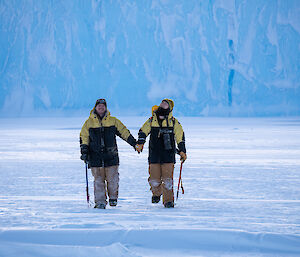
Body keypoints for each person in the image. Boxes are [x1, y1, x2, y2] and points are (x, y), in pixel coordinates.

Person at [80, 99, 137, 209]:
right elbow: (84, 137)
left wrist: (134, 143)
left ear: (106, 108)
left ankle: (113, 198)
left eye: (103, 106)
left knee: (113, 179)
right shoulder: (88, 123)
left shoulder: (113, 121)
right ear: (95, 107)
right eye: (99, 106)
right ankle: (100, 202)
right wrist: (84, 152)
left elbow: (124, 132)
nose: (101, 108)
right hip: (95, 157)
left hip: (111, 156)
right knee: (98, 181)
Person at [136, 99, 187, 208]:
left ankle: (168, 201)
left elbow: (180, 137)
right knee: (154, 180)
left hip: (168, 155)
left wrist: (182, 150)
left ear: (170, 108)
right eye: (162, 103)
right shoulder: (151, 120)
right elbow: (143, 131)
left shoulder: (174, 122)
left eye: (166, 104)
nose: (163, 104)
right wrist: (140, 143)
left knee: (168, 180)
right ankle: (157, 193)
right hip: (154, 154)